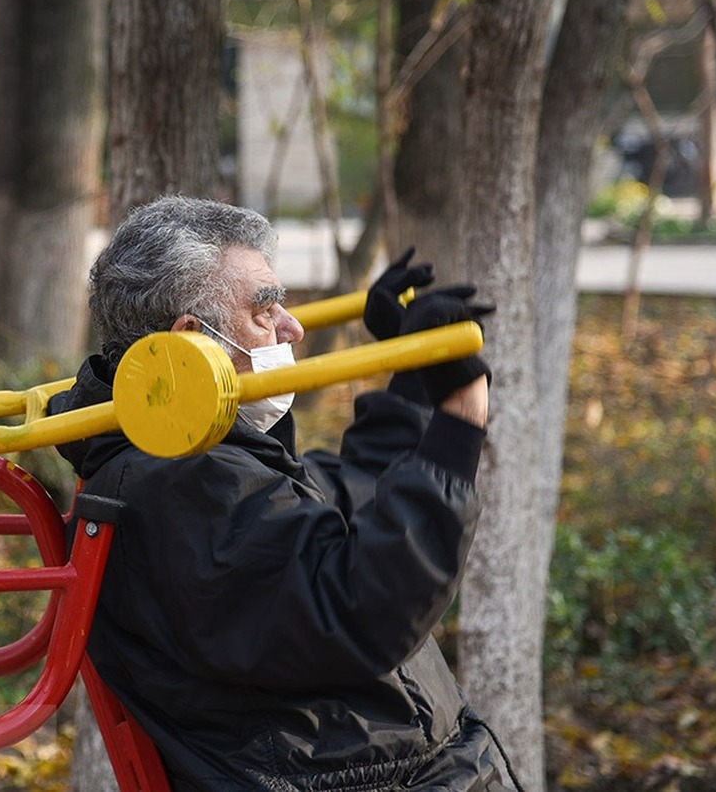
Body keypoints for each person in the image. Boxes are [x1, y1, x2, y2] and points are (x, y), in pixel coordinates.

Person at [52, 195, 517, 791]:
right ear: (192, 339)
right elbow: (359, 607)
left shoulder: (202, 452)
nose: (293, 327)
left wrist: (411, 385)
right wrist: (460, 418)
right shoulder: (174, 482)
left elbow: (343, 508)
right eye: (266, 309)